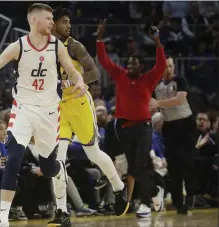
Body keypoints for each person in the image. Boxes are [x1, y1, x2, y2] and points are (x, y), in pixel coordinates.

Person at [0, 3, 86, 227]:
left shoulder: (56, 46)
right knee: (13, 159)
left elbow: (72, 71)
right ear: (34, 20)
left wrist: (79, 80)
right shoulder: (19, 46)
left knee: (48, 168)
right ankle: (3, 219)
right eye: (48, 18)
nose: (52, 23)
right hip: (23, 109)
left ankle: (58, 180)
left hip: (49, 112)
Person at [49, 8, 129, 226]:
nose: (68, 26)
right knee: (58, 160)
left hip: (81, 105)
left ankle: (119, 188)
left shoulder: (74, 45)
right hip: (60, 109)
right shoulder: (45, 48)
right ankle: (62, 212)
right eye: (64, 22)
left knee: (93, 153)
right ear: (53, 24)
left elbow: (94, 72)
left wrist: (75, 81)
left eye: (69, 22)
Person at [96, 20, 166, 218]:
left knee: (139, 165)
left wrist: (158, 41)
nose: (128, 66)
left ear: (141, 67)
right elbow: (104, 61)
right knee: (133, 166)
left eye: (133, 64)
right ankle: (154, 191)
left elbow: (161, 64)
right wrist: (99, 39)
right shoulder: (120, 75)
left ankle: (145, 203)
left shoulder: (148, 79)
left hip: (143, 126)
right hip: (124, 127)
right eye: (128, 63)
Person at [151, 56, 196, 214]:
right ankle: (178, 203)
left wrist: (158, 104)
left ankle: (191, 194)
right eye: (165, 67)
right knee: (173, 166)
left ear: (174, 67)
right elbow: (149, 102)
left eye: (170, 66)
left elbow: (179, 99)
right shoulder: (156, 86)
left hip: (186, 124)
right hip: (169, 126)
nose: (168, 69)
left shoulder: (180, 80)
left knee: (186, 161)